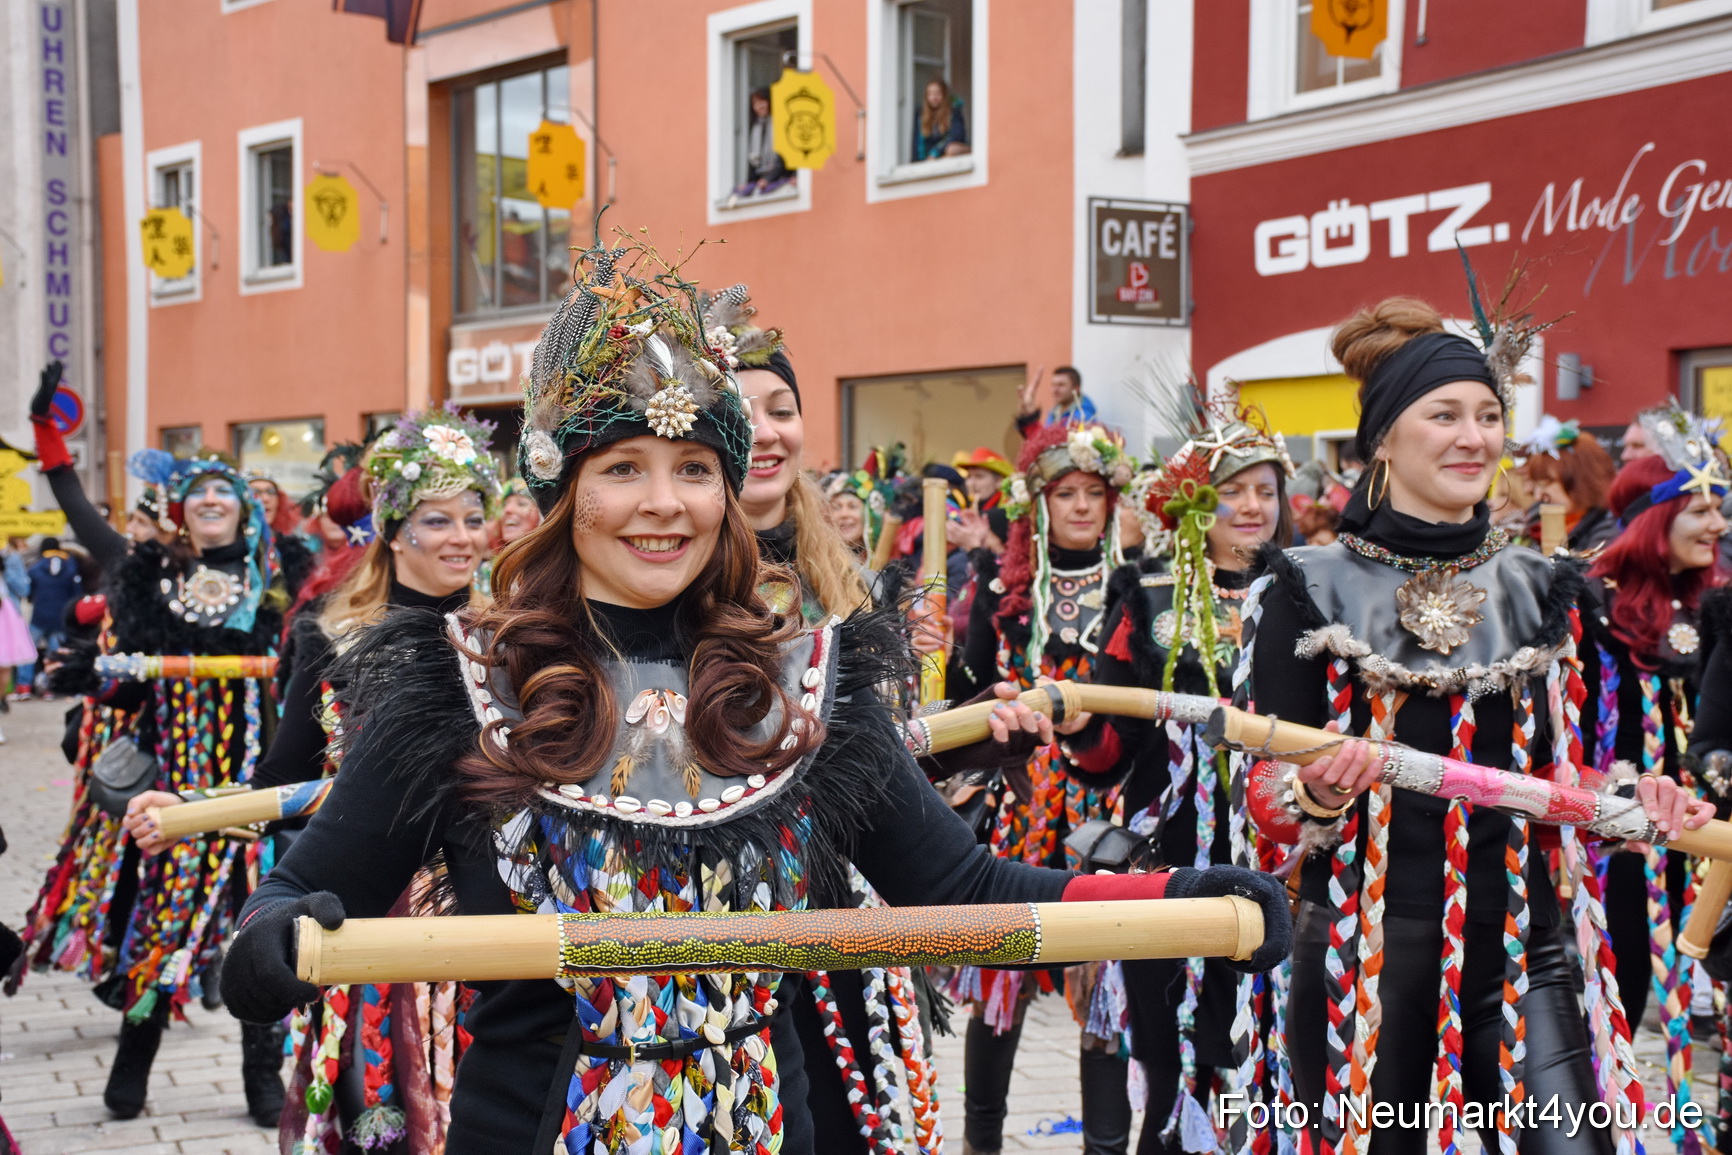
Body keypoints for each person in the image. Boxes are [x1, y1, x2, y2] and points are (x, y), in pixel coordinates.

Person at [215, 236, 1290, 1155]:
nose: (662, 504)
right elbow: (297, 901)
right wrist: (274, 937)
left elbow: (963, 889)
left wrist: (1183, 898)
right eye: (622, 467)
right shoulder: (453, 686)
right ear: (563, 495)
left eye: (693, 469)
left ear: (730, 495)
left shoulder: (809, 684)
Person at [1242, 296, 1711, 1155]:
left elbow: (1562, 777)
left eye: (1490, 415)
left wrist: (1631, 795)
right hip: (1360, 957)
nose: (1475, 437)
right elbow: (1264, 801)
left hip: (1526, 947)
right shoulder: (1304, 584)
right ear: (1383, 435)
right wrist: (1312, 789)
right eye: (1445, 414)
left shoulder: (1542, 583)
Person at [127, 406, 498, 1149]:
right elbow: (285, 775)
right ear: (394, 532)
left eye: (472, 517)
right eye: (437, 520)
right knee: (381, 1106)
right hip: (364, 905)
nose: (462, 537)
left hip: (484, 909)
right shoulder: (332, 635)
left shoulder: (508, 635)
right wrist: (193, 807)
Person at [18, 438, 311, 1124]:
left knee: (260, 927)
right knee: (160, 925)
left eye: (225, 488)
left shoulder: (286, 578)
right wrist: (94, 676)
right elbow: (130, 690)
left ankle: (262, 1075)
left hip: (259, 789)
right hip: (175, 792)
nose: (211, 498)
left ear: (246, 508)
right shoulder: (150, 574)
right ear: (180, 509)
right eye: (198, 490)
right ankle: (132, 1056)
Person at [1067, 403, 1294, 1155]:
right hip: (1169, 865)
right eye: (1236, 490)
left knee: (1268, 1062)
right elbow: (1112, 752)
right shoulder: (1147, 594)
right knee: (1167, 1065)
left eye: (1267, 490)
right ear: (1199, 502)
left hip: (1282, 863)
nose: (1255, 507)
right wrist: (1078, 727)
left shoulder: (1307, 595)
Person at [948, 419, 1138, 1155]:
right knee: (1002, 982)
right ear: (1041, 503)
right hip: (1020, 805)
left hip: (1105, 809)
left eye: (1095, 493)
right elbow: (966, 694)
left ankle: (1105, 1146)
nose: (1083, 506)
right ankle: (981, 1142)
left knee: (1102, 995)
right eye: (1068, 493)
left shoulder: (1138, 586)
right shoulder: (1003, 592)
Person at [1581, 431, 1727, 1055]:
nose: (1719, 523)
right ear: (1656, 520)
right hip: (1611, 827)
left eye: (1721, 506)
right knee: (1619, 973)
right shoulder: (1588, 607)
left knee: (1665, 975)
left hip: (1686, 827)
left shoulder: (1707, 609)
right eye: (1701, 508)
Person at [1517, 416, 1618, 552]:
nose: (1538, 496)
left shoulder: (1611, 528)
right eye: (1537, 485)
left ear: (1582, 479)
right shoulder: (1534, 522)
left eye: (1547, 483)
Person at [25, 537, 83, 691]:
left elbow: (29, 593)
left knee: (28, 652)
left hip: (39, 617)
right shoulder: (70, 567)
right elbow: (77, 594)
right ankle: (52, 686)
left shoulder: (35, 567)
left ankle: (24, 685)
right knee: (55, 656)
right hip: (60, 619)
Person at [733, 86, 793, 198]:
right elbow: (753, 161)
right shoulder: (755, 128)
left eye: (762, 102)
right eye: (755, 103)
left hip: (780, 178)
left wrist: (768, 179)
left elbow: (783, 156)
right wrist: (749, 183)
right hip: (762, 181)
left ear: (770, 102)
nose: (758, 106)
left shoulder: (779, 124)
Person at [1016, 364, 1098, 434]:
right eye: (1053, 385)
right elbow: (1044, 444)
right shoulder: (1055, 412)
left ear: (1076, 388)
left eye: (1061, 385)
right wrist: (1029, 415)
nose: (1055, 390)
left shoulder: (1084, 415)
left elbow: (1056, 443)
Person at [913, 76, 969, 160]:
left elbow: (957, 135)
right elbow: (917, 143)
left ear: (944, 95)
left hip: (945, 152)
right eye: (930, 94)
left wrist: (936, 151)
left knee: (952, 149)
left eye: (937, 94)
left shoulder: (953, 111)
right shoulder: (921, 115)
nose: (934, 98)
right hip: (930, 158)